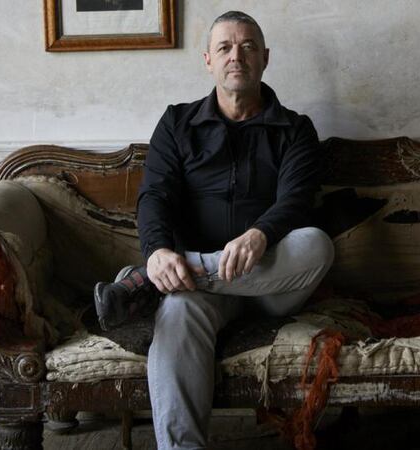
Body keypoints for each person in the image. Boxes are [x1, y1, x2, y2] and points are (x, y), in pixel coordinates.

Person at [93, 11, 334, 450]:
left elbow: (296, 200)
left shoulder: (295, 129)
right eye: (224, 47)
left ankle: (148, 285)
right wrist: (157, 252)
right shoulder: (177, 123)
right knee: (179, 310)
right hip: (198, 290)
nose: (235, 56)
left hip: (270, 281)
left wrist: (260, 233)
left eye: (247, 47)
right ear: (208, 59)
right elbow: (155, 198)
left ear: (265, 58)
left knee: (316, 244)